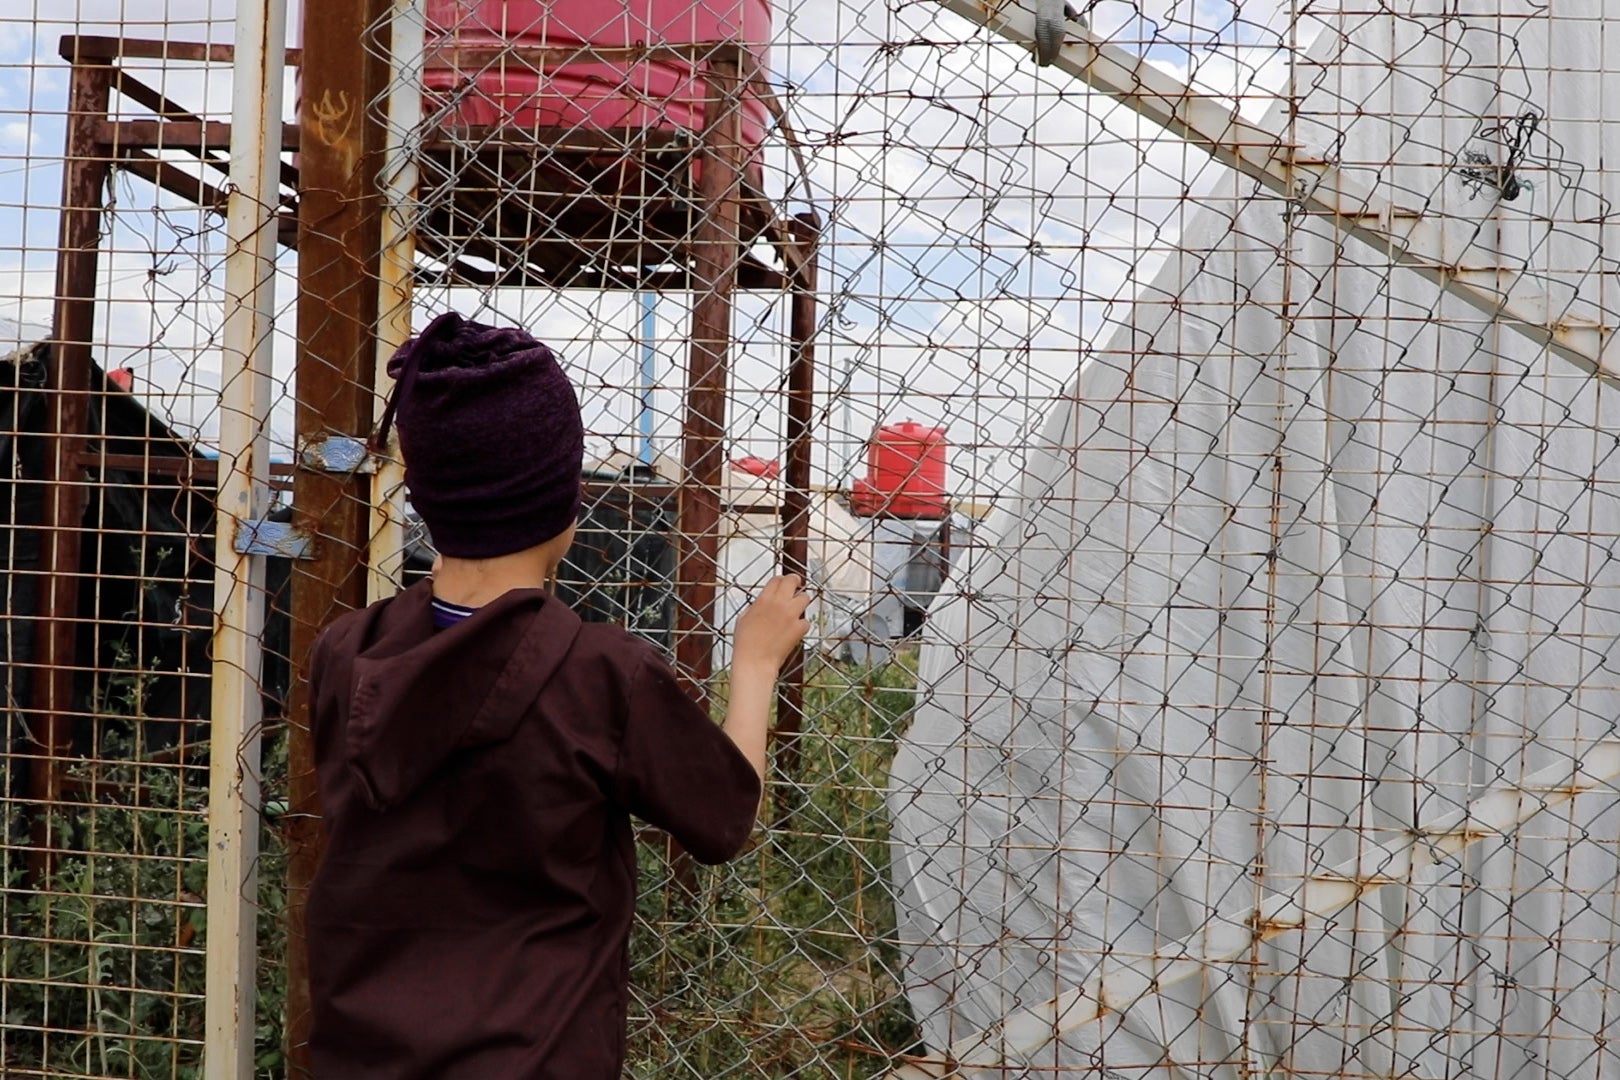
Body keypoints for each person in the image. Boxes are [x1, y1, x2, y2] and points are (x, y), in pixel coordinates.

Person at [303, 312, 810, 1079]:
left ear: (425, 491)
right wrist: (756, 663)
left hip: (362, 1056)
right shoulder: (604, 675)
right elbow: (723, 818)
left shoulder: (346, 652)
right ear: (565, 500)